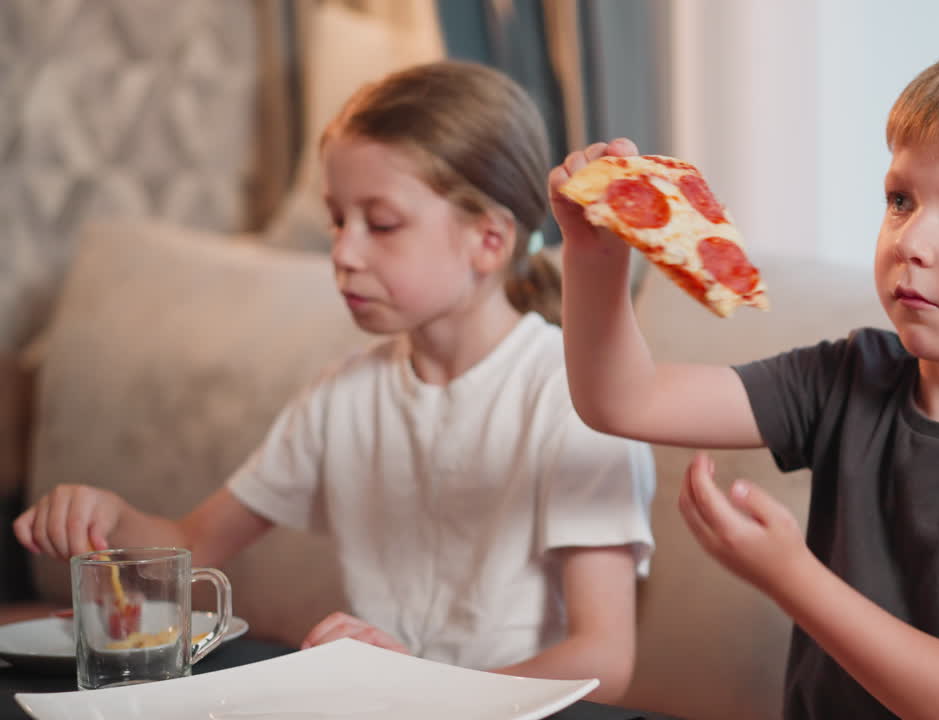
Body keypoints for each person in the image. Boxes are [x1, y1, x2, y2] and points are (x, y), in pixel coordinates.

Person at [549, 41, 939, 719]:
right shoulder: (848, 376)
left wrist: (790, 577)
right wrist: (594, 258)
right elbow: (621, 401)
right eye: (901, 199)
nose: (909, 240)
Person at [15, 60, 655, 703]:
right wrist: (110, 516)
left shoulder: (575, 398)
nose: (344, 253)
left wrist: (421, 688)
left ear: (488, 240)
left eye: (380, 223)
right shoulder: (340, 396)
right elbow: (191, 545)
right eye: (336, 220)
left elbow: (603, 660)